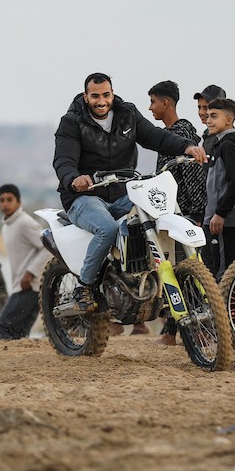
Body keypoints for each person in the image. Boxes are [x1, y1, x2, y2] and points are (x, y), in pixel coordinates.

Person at [53, 73, 206, 312]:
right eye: (95, 96)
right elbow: (63, 160)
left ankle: (152, 279)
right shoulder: (72, 122)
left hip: (122, 191)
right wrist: (75, 179)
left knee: (155, 214)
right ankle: (84, 286)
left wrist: (186, 146)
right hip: (85, 195)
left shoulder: (127, 115)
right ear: (86, 97)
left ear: (112, 94)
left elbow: (156, 137)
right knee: (107, 229)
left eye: (106, 95)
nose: (101, 101)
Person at [0, 184, 47, 341]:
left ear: (19, 202)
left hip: (29, 287)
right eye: (2, 200)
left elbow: (48, 247)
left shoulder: (24, 222)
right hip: (19, 288)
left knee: (1, 332)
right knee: (18, 336)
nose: (5, 204)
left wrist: (30, 272)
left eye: (10, 199)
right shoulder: (7, 226)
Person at [203, 98, 235, 279]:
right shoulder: (222, 143)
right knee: (227, 274)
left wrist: (220, 213)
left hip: (224, 222)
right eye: (208, 116)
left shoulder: (228, 145)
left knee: (223, 277)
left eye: (214, 116)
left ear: (229, 120)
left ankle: (226, 309)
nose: (208, 120)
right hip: (220, 220)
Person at [148, 81, 207, 227]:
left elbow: (193, 175)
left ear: (165, 103)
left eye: (153, 102)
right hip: (171, 212)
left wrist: (196, 215)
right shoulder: (166, 135)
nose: (150, 107)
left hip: (185, 215)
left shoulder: (182, 133)